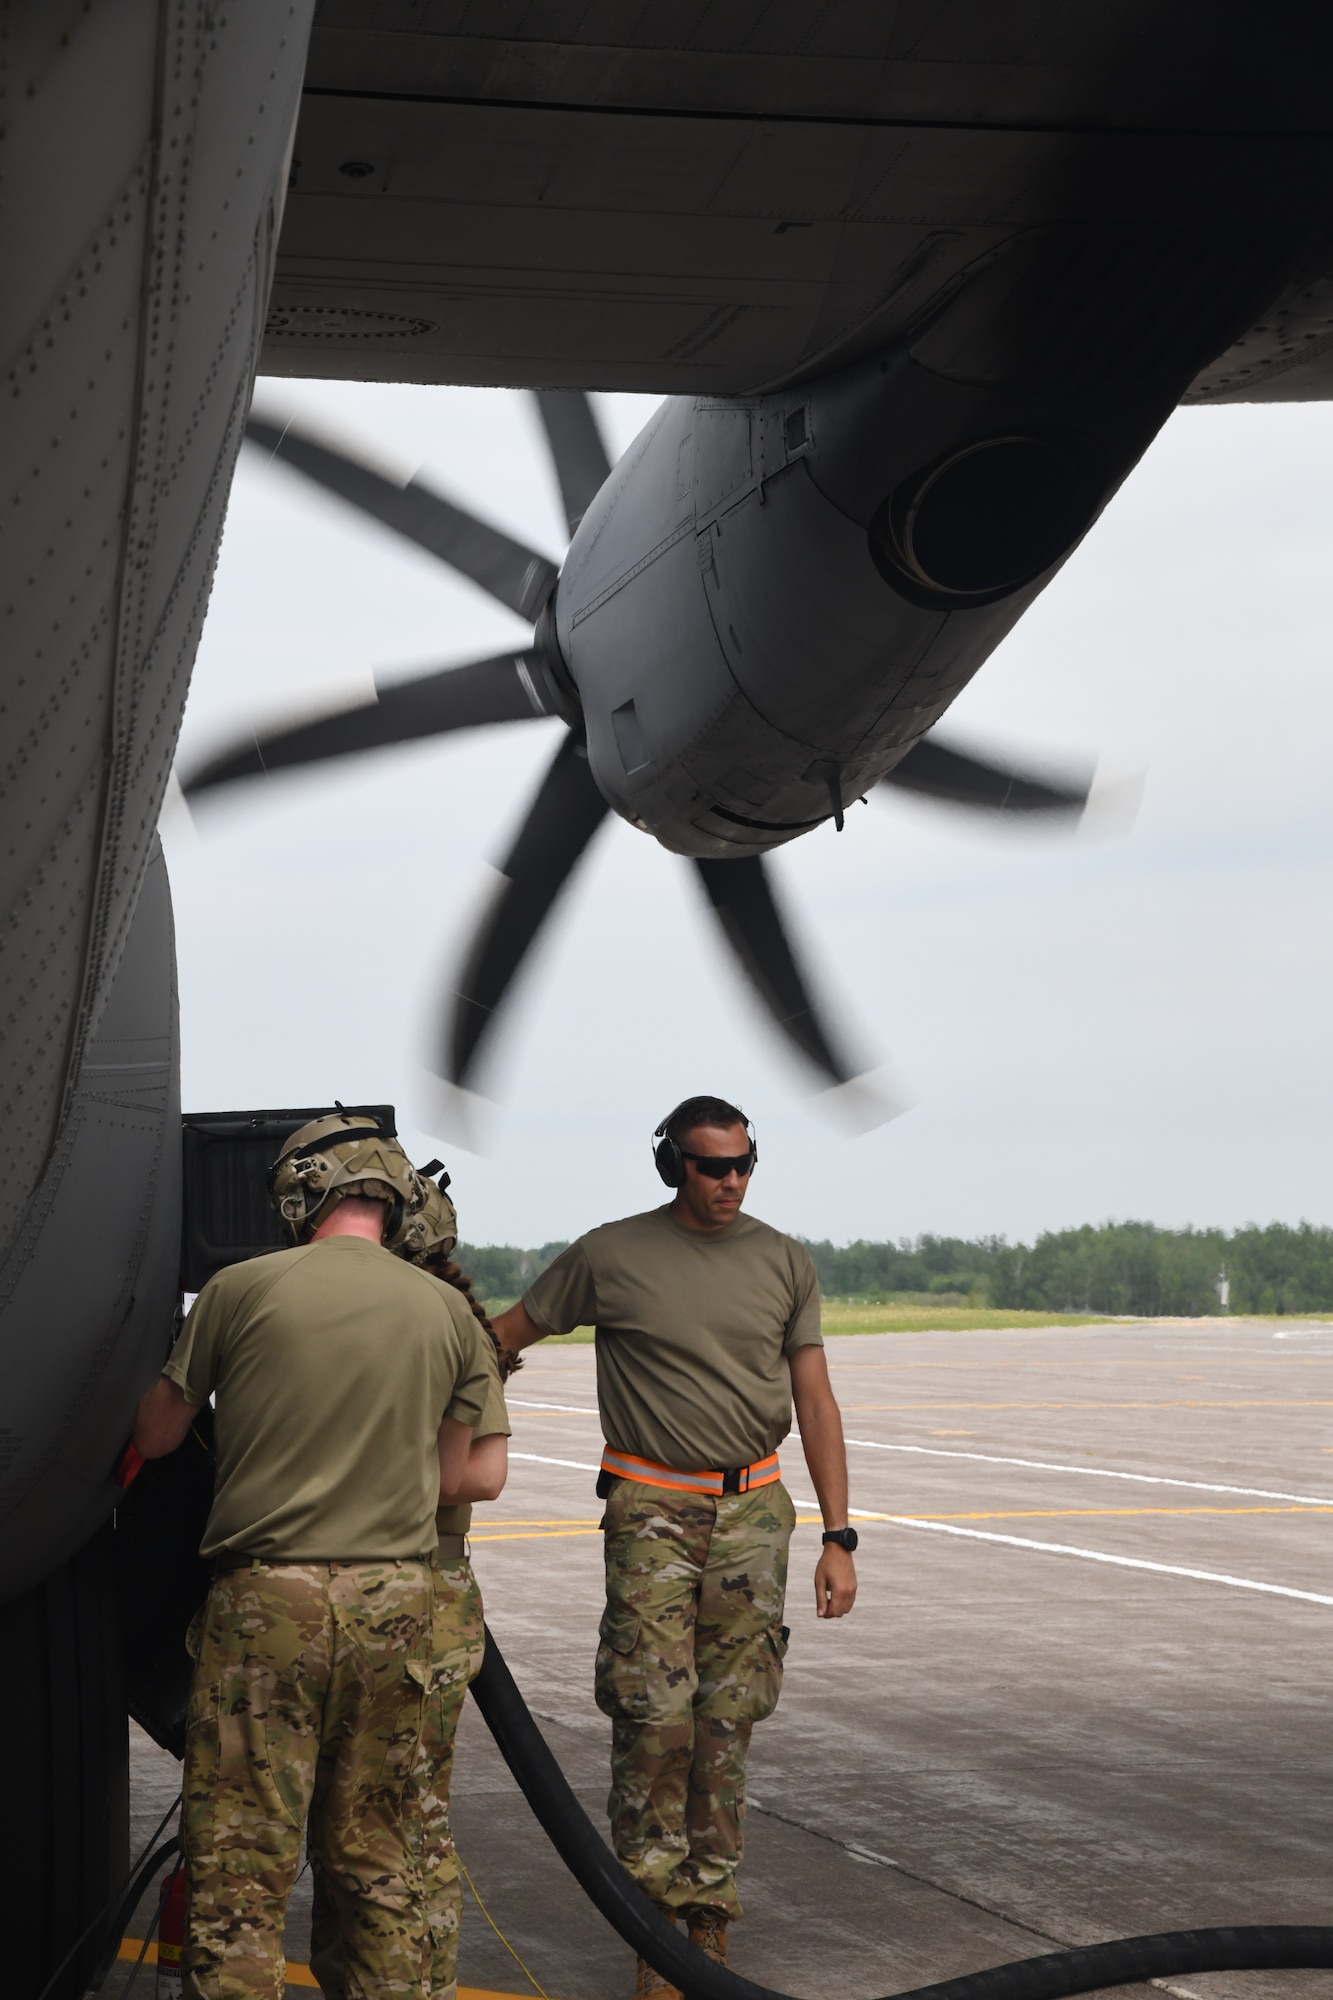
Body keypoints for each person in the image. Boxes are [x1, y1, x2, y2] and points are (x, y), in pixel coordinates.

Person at [492, 1095, 858, 1999]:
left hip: (751, 1511)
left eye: (742, 1165)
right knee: (653, 1722)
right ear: (672, 1167)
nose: (729, 1181)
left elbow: (814, 1401)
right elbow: (499, 1340)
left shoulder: (782, 1261)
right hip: (651, 1507)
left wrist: (838, 1534)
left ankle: (707, 1921)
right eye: (710, 1166)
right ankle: (652, 1924)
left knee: (725, 1723)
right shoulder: (610, 1255)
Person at [133, 1112, 493, 2000]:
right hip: (401, 1607)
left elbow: (158, 1432)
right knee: (379, 1864)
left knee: (243, 1871)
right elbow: (460, 1475)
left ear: (299, 1194)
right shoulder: (448, 1310)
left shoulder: (239, 1287)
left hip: (269, 1606)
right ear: (394, 1198)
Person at [307, 1170, 514, 2000]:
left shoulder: (441, 1325)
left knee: (399, 1822)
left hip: (418, 1589)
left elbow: (484, 1474)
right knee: (348, 1826)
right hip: (364, 1592)